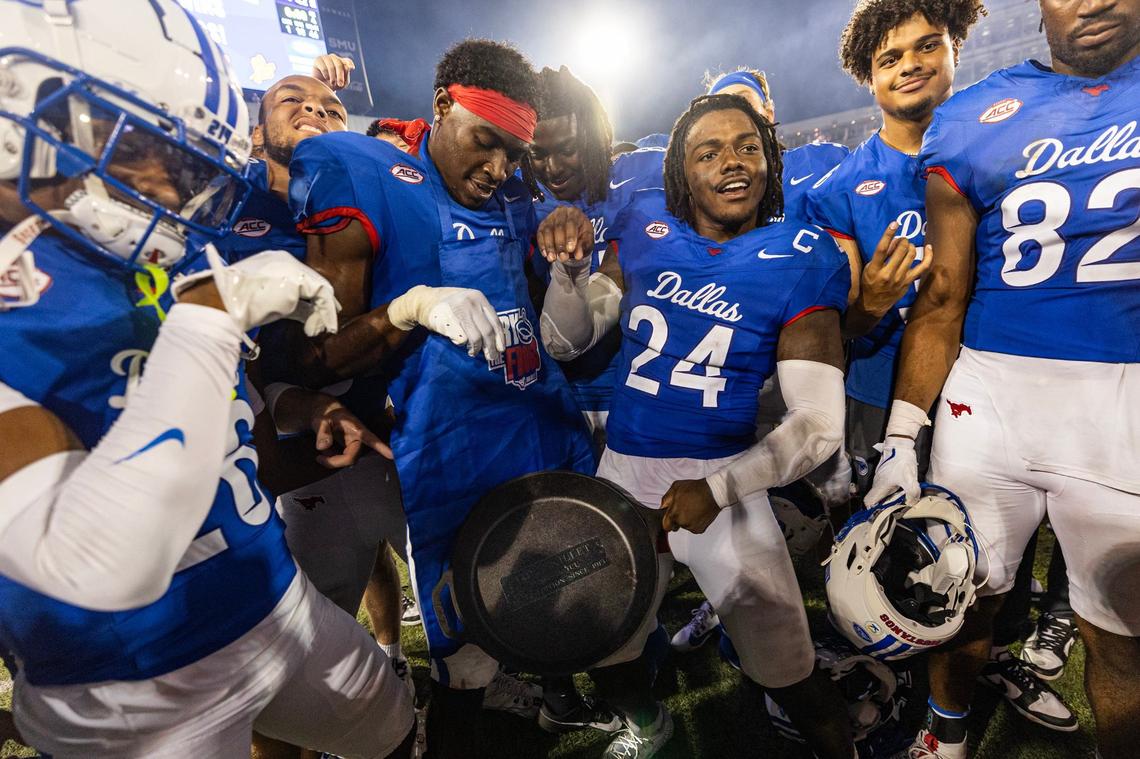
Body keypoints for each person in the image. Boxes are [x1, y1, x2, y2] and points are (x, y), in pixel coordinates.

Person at [0, 2, 414, 757]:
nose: (169, 187)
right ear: (29, 109)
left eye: (189, 160)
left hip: (268, 590)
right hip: (130, 683)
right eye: (147, 142)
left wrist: (293, 400)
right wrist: (212, 315)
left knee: (391, 728)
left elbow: (221, 399)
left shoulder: (131, 248)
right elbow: (94, 567)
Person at [273, 38, 593, 759]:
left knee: (569, 600)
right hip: (440, 458)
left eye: (513, 152)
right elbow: (312, 357)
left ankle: (554, 691)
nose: (498, 169)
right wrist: (406, 309)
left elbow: (547, 316)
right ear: (443, 106)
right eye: (485, 142)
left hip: (537, 434)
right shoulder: (368, 171)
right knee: (451, 660)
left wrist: (558, 243)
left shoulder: (514, 192)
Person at [538, 92, 855, 759]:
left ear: (769, 158)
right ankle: (647, 721)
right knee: (607, 639)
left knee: (790, 672)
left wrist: (719, 488)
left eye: (746, 146)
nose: (731, 162)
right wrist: (566, 271)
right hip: (621, 472)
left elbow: (821, 424)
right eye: (707, 151)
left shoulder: (801, 254)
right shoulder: (643, 218)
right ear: (680, 172)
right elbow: (570, 341)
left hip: (722, 486)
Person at [864, 0, 1140, 755]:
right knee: (955, 600)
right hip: (989, 397)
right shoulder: (972, 117)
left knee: (1118, 636)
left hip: (1126, 404)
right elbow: (943, 294)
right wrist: (898, 439)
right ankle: (944, 736)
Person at [814, 0, 1078, 734]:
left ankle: (985, 657)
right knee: (892, 555)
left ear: (957, 46)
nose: (911, 65)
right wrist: (866, 305)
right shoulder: (840, 187)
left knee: (1000, 558)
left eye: (927, 45)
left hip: (998, 387)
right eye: (890, 58)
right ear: (868, 76)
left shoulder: (1008, 140)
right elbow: (830, 335)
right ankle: (898, 676)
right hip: (882, 395)